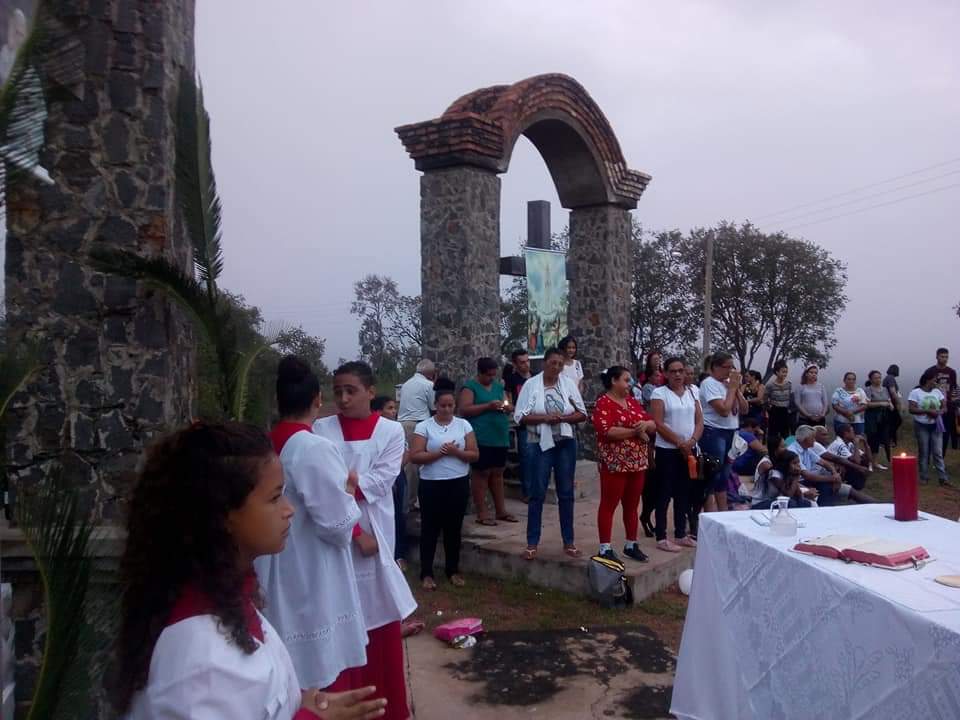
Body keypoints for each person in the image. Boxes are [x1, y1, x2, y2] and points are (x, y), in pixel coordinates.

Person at [113, 421, 387, 720]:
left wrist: (298, 706)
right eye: (274, 498)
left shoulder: (226, 597)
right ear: (222, 515)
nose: (289, 509)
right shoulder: (202, 659)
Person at [255, 357, 368, 691]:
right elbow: (336, 527)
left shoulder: (265, 443)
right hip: (310, 566)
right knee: (317, 666)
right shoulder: (313, 447)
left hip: (274, 559)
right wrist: (348, 492)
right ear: (318, 398)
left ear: (278, 400)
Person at [314, 362, 416, 720]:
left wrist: (346, 484)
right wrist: (354, 532)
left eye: (350, 390)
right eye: (337, 390)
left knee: (379, 620)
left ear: (371, 392)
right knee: (339, 617)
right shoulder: (321, 430)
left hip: (377, 539)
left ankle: (387, 706)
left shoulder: (390, 431)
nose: (342, 398)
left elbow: (380, 481)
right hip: (337, 538)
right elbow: (321, 488)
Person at [514, 346, 587, 561]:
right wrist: (545, 418)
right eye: (552, 363)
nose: (556, 367)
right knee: (537, 491)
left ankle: (569, 541)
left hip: (564, 441)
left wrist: (563, 419)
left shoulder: (568, 385)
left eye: (560, 364)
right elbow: (521, 416)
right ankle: (532, 542)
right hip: (539, 442)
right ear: (544, 363)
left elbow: (581, 413)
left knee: (566, 492)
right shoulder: (531, 385)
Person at [409, 388, 478, 590]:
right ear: (435, 406)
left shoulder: (463, 425)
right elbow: (415, 455)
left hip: (457, 482)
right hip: (432, 483)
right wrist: (439, 453)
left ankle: (452, 570)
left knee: (453, 529)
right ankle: (427, 572)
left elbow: (474, 454)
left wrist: (456, 451)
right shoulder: (424, 427)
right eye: (442, 406)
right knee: (430, 528)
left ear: (454, 406)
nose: (447, 409)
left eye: (450, 405)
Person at [592, 365, 656, 562]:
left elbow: (652, 424)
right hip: (615, 463)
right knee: (609, 504)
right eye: (626, 380)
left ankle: (631, 544)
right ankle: (605, 548)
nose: (630, 384)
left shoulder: (632, 402)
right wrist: (636, 431)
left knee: (632, 505)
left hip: (637, 463)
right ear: (614, 381)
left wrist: (645, 425)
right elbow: (607, 432)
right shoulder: (603, 403)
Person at [649, 357, 702, 552]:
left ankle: (680, 533)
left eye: (681, 370)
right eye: (673, 371)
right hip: (667, 451)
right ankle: (661, 536)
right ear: (666, 373)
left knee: (684, 492)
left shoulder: (691, 392)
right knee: (664, 493)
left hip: (689, 450)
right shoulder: (659, 393)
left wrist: (692, 441)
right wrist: (679, 442)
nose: (678, 375)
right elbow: (658, 423)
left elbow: (699, 421)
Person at [458, 357, 516, 525]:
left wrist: (507, 407)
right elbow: (464, 410)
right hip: (481, 436)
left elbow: (509, 404)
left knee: (498, 472)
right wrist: (487, 406)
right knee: (481, 473)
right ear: (480, 373)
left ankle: (501, 510)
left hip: (499, 435)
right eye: (488, 375)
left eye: (493, 375)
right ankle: (482, 512)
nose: (491, 378)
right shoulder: (470, 387)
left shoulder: (498, 387)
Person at [699, 352, 748, 512]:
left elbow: (745, 409)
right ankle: (709, 513)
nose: (730, 371)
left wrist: (737, 391)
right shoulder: (709, 383)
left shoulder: (728, 384)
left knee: (725, 475)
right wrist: (732, 389)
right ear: (715, 367)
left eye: (732, 367)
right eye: (727, 367)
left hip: (731, 432)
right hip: (713, 432)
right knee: (712, 475)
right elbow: (724, 410)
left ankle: (723, 512)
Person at [373, 396, 408, 569]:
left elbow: (406, 452)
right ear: (378, 412)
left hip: (397, 475)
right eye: (390, 408)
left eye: (394, 408)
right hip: (377, 478)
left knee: (399, 514)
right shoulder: (374, 432)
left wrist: (394, 469)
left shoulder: (397, 429)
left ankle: (399, 554)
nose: (394, 411)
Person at [397, 360, 437, 513]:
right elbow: (434, 407)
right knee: (417, 463)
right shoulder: (428, 385)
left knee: (408, 464)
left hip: (402, 423)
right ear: (430, 373)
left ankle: (409, 499)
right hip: (418, 424)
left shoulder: (407, 384)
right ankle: (413, 501)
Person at [908, 368, 949, 485]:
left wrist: (940, 412)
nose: (935, 382)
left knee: (938, 452)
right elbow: (911, 409)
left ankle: (943, 478)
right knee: (924, 451)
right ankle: (924, 476)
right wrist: (927, 411)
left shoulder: (937, 392)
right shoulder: (916, 392)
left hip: (936, 425)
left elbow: (944, 407)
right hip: (922, 425)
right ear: (927, 380)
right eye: (934, 380)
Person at [821, 423, 877, 502]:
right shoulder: (839, 444)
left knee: (865, 463)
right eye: (852, 432)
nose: (854, 434)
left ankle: (854, 490)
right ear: (846, 433)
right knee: (858, 466)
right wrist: (856, 444)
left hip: (840, 469)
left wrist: (865, 443)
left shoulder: (849, 443)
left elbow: (869, 459)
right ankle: (852, 490)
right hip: (831, 471)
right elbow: (857, 462)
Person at [788, 425, 842, 506]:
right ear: (805, 439)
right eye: (813, 438)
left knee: (827, 487)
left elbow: (824, 463)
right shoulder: (793, 451)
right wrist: (833, 478)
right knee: (825, 487)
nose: (814, 440)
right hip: (796, 482)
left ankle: (826, 509)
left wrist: (835, 474)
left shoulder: (806, 448)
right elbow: (807, 476)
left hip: (806, 480)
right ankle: (822, 509)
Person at [507, 348, 534, 501]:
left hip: (541, 420)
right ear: (515, 364)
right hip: (524, 423)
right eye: (522, 362)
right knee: (526, 457)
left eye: (527, 361)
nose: (526, 365)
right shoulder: (512, 380)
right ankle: (527, 492)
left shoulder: (537, 377)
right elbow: (508, 400)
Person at [924, 348, 959, 456]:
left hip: (948, 406)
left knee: (945, 433)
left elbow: (954, 388)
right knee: (932, 431)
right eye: (942, 356)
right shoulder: (930, 371)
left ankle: (940, 458)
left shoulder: (951, 372)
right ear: (937, 357)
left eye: (946, 357)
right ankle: (928, 457)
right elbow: (924, 387)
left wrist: (954, 403)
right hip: (933, 405)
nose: (945, 359)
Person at [863, 370, 894, 468]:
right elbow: (866, 404)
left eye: (879, 377)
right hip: (872, 417)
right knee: (872, 438)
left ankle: (875, 462)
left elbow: (889, 401)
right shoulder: (868, 390)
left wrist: (891, 405)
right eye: (875, 378)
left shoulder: (885, 389)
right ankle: (869, 461)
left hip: (884, 417)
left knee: (882, 438)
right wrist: (881, 403)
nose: (878, 379)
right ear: (871, 379)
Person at [831, 372, 868, 436]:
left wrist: (852, 412)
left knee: (858, 440)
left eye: (853, 379)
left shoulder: (860, 391)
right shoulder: (838, 391)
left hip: (857, 421)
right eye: (849, 379)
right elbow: (834, 405)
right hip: (841, 421)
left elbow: (864, 405)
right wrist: (846, 412)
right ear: (844, 380)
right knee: (842, 440)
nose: (851, 381)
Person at [765, 360, 794, 440]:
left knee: (786, 435)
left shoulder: (788, 384)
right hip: (774, 411)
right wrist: (768, 409)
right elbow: (765, 399)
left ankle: (788, 451)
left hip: (785, 411)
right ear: (777, 372)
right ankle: (772, 451)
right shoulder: (770, 385)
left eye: (786, 372)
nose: (785, 374)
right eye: (783, 372)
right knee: (773, 434)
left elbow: (790, 398)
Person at [883, 364, 903, 445]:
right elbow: (893, 391)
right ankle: (888, 438)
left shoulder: (887, 378)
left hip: (889, 402)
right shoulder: (890, 378)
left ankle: (891, 440)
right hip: (891, 403)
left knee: (892, 422)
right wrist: (899, 403)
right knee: (897, 421)